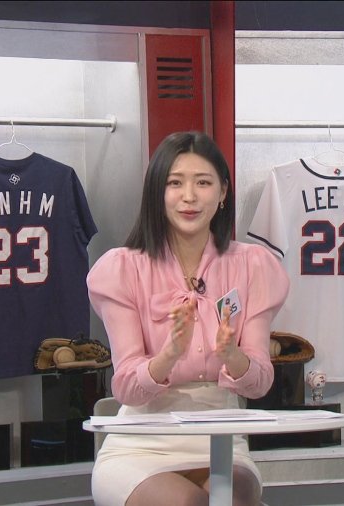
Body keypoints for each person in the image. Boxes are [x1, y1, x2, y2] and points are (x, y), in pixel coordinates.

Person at [87, 131, 289, 506]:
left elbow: (260, 383)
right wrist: (168, 356)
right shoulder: (123, 268)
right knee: (190, 504)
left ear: (223, 191)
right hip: (141, 446)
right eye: (175, 183)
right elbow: (125, 388)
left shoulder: (253, 266)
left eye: (203, 183)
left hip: (223, 443)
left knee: (231, 500)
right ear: (157, 192)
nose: (189, 196)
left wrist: (233, 356)